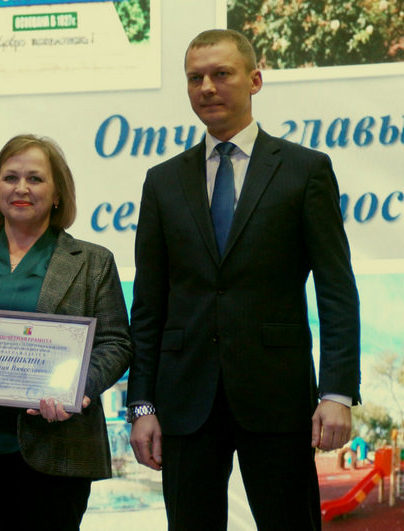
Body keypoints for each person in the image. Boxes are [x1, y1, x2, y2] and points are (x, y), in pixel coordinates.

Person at [127, 29, 360, 530]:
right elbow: (147, 304)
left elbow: (337, 291)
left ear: (255, 80)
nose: (207, 87)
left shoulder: (305, 170)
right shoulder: (161, 181)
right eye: (195, 78)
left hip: (278, 396)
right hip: (184, 400)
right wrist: (141, 403)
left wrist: (337, 393)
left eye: (221, 74)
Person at [0, 134, 132, 530]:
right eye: (10, 177)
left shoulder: (92, 262)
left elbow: (116, 343)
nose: (21, 188)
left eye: (35, 178)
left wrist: (77, 390)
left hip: (55, 449)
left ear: (57, 193)